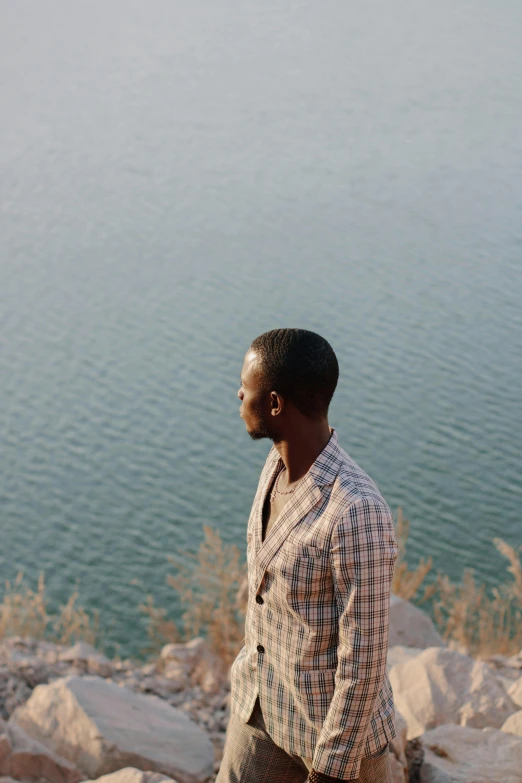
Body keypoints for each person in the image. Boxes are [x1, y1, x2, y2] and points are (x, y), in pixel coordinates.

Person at [216, 328, 397, 783]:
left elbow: (365, 661)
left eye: (247, 387)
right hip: (260, 707)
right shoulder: (277, 466)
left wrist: (331, 772)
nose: (239, 393)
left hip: (334, 740)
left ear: (275, 404)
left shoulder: (356, 511)